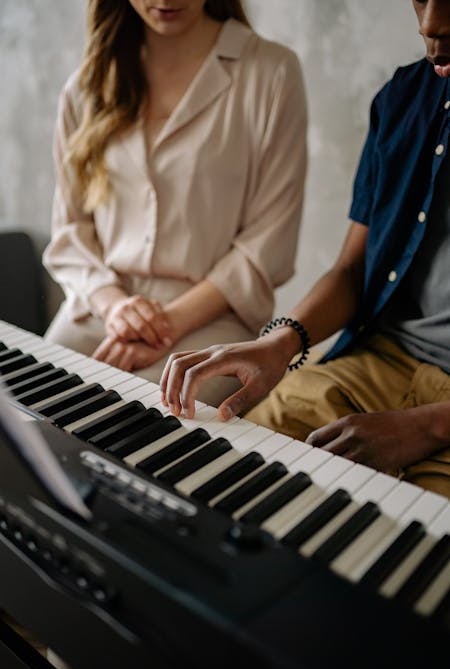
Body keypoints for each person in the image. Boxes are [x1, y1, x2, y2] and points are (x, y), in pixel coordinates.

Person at [161, 0, 450, 499]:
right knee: (216, 479)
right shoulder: (402, 98)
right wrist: (280, 344)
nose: (432, 24)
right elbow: (352, 269)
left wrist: (428, 427)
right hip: (377, 362)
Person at [43, 0, 307, 408]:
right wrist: (115, 308)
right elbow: (71, 231)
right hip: (98, 307)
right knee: (28, 421)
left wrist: (164, 325)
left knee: (141, 430)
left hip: (212, 318)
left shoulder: (271, 72)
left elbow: (267, 243)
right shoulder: (86, 85)